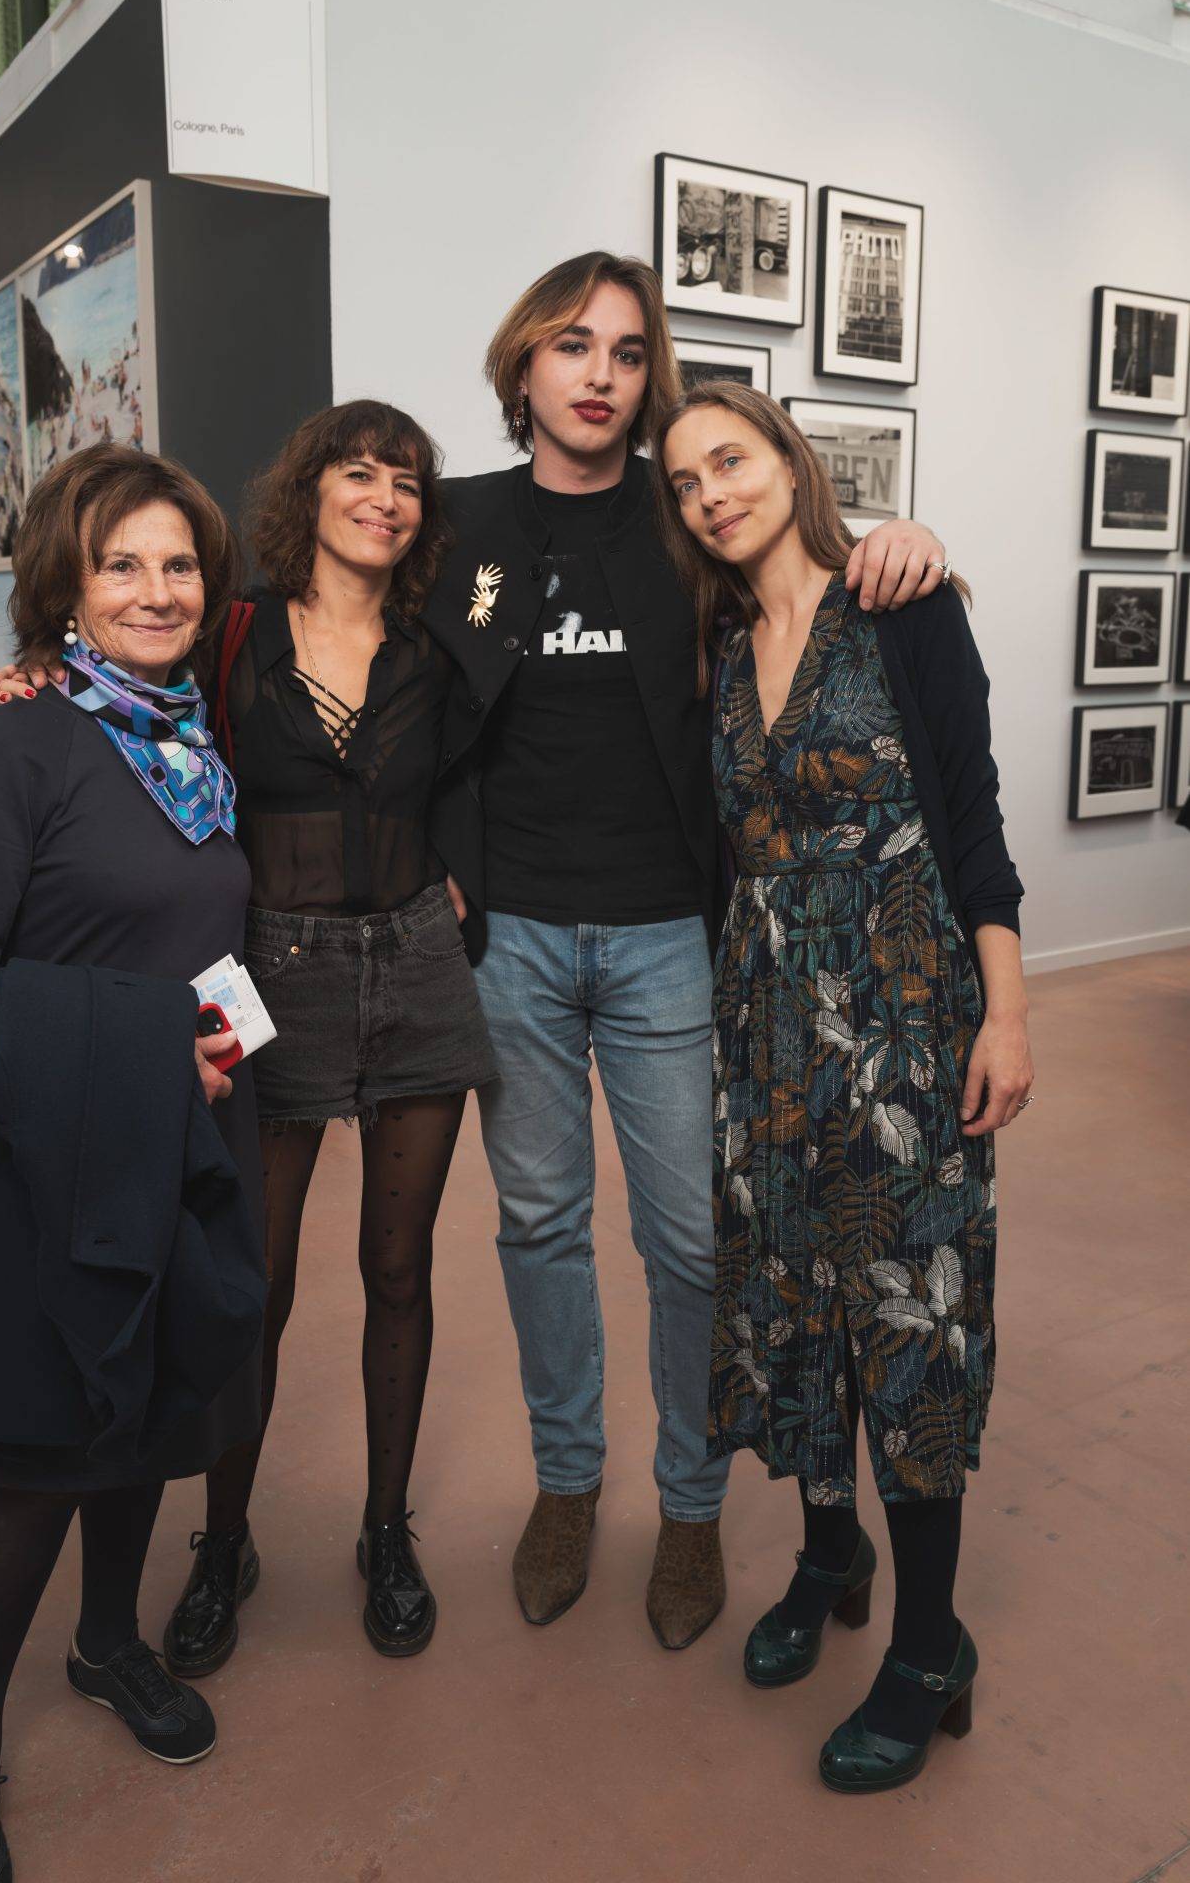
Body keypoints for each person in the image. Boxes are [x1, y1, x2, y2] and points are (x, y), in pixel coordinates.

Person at [423, 251, 950, 1650]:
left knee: (686, 1242)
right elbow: (319, 618)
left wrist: (902, 539)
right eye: (568, 346)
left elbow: (800, 584)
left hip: (670, 935)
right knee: (536, 1224)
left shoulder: (679, 532)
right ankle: (564, 1485)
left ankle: (691, 1503)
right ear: (520, 368)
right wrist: (53, 652)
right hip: (510, 940)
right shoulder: (458, 527)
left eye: (624, 350)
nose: (598, 373)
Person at [0, 401, 498, 1671]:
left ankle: (384, 1529)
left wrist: (464, 874)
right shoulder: (235, 630)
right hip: (274, 975)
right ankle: (225, 1539)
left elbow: (493, 774)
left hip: (419, 970)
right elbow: (128, 704)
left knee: (399, 1266)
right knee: (243, 1281)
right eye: (358, 472)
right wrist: (32, 670)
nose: (385, 495)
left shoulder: (443, 643)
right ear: (307, 491)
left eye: (408, 480)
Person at [0, 445, 268, 1883]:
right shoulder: (18, 741)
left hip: (179, 1140)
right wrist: (152, 1040)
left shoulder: (184, 732)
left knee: (152, 1418)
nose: (155, 591)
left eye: (176, 564)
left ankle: (109, 1646)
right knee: (43, 1460)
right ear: (66, 585)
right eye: (121, 565)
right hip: (52, 1147)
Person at [654, 383, 1033, 1790]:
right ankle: (830, 1554)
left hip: (905, 1025)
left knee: (907, 1317)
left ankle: (931, 1643)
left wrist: (1007, 1010)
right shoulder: (705, 643)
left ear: (787, 461)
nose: (710, 493)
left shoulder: (901, 605)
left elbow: (974, 817)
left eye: (730, 460)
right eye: (686, 481)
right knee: (794, 1302)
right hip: (762, 1032)